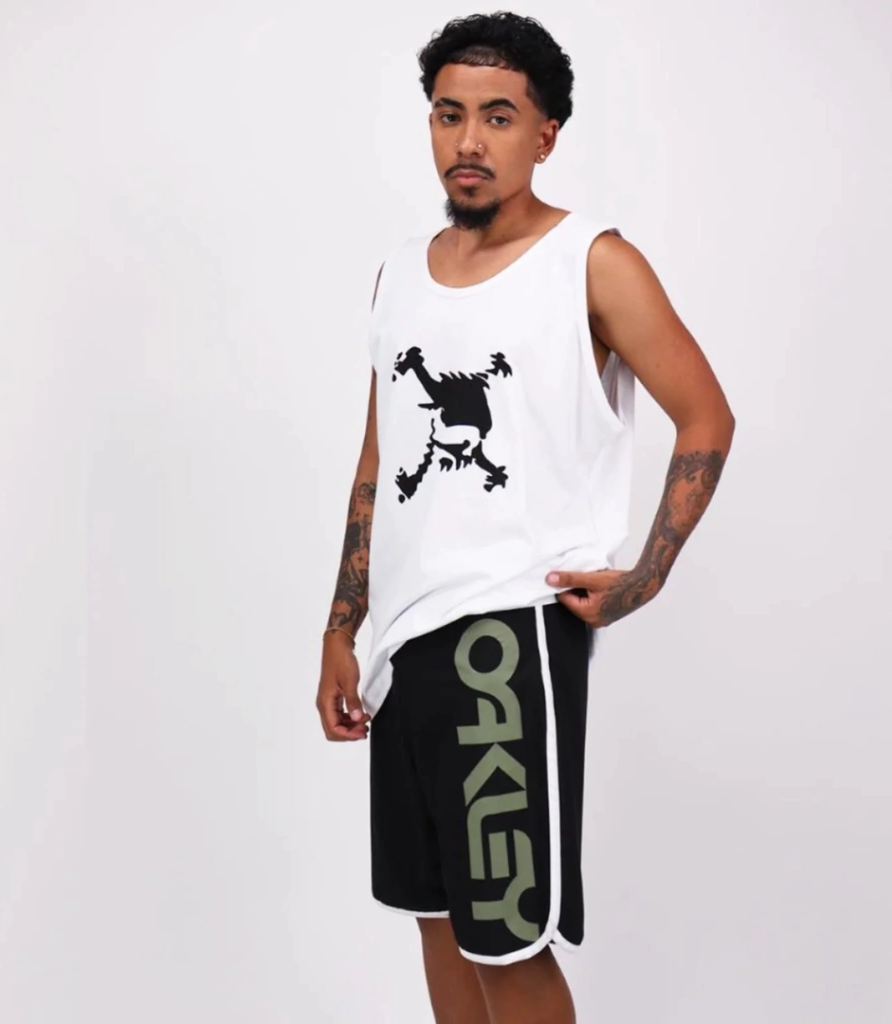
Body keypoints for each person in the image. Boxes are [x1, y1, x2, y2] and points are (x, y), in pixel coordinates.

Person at [316, 12, 735, 1023]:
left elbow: (705, 416)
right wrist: (341, 625)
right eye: (449, 114)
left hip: (505, 642)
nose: (469, 141)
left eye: (498, 117)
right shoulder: (398, 276)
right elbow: (381, 458)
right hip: (404, 643)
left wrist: (643, 576)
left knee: (506, 939)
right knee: (436, 923)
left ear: (545, 134)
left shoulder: (593, 261)